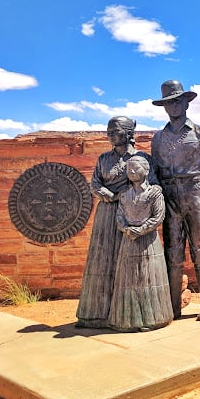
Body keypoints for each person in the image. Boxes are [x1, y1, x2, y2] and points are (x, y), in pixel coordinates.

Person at [151, 80, 200, 321]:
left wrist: (195, 186)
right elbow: (156, 172)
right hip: (169, 196)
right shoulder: (158, 138)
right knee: (172, 253)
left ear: (186, 103)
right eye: (169, 102)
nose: (174, 105)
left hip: (195, 193)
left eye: (178, 100)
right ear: (164, 106)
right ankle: (173, 306)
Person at [76, 116, 153, 328]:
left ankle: (129, 316)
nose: (110, 134)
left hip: (131, 213)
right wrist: (110, 196)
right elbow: (95, 184)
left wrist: (128, 197)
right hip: (106, 215)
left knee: (128, 263)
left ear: (129, 133)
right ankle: (96, 314)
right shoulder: (103, 159)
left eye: (115, 131)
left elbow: (152, 185)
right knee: (102, 260)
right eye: (108, 131)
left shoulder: (141, 158)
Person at [108, 155, 173, 332]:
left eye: (136, 168)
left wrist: (142, 229)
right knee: (128, 280)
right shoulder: (125, 195)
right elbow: (119, 216)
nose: (132, 171)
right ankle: (128, 320)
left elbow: (159, 216)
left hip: (148, 241)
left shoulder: (154, 193)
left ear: (146, 170)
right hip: (128, 241)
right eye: (129, 169)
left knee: (149, 277)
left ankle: (155, 318)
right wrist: (126, 228)